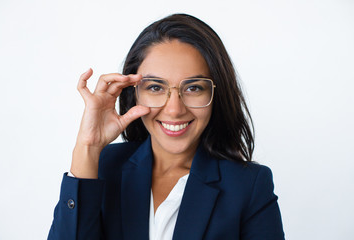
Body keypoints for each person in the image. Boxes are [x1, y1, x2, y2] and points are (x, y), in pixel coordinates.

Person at [48, 13, 285, 240]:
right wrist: (87, 145)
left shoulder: (248, 185)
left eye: (193, 88)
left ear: (215, 94)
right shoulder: (102, 167)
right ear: (133, 93)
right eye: (155, 87)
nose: (174, 109)